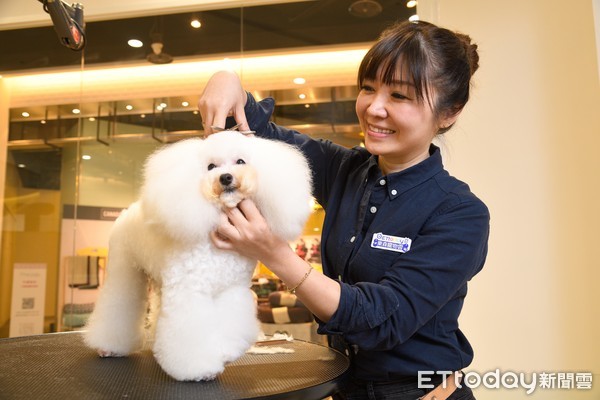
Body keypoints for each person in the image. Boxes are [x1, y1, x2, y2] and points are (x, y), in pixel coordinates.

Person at [199, 20, 490, 400]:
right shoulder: (344, 170)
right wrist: (225, 78)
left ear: (449, 112)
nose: (375, 108)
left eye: (400, 96)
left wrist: (275, 255)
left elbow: (380, 320)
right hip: (345, 388)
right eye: (368, 89)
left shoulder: (459, 214)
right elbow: (262, 134)